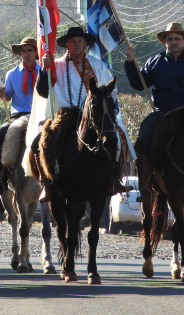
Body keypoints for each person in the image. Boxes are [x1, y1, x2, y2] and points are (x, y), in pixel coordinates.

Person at [124, 22, 184, 203]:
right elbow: (138, 84)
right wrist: (130, 62)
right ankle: (145, 187)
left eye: (177, 39)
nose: (173, 42)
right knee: (143, 139)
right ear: (165, 42)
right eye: (169, 39)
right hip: (163, 114)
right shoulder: (154, 62)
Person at [34, 26, 123, 202]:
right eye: (73, 41)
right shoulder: (55, 65)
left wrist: (101, 107)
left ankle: (114, 178)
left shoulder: (97, 65)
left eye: (79, 41)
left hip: (95, 116)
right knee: (38, 142)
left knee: (120, 136)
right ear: (67, 44)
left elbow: (111, 91)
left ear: (85, 44)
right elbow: (43, 91)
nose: (76, 44)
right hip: (64, 116)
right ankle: (47, 183)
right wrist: (44, 69)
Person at [0, 37, 40, 196]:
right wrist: (2, 96)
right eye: (23, 51)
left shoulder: (45, 71)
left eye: (29, 50)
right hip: (18, 116)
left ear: (36, 52)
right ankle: (0, 179)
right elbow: (8, 98)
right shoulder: (12, 74)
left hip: (39, 115)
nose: (26, 54)